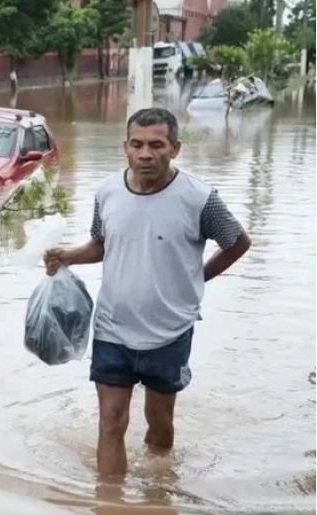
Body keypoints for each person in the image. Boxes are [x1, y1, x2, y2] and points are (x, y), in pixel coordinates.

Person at [43, 107, 252, 479]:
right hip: (112, 328)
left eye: (156, 145)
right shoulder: (107, 191)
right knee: (110, 421)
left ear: (175, 148)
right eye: (137, 144)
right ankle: (109, 509)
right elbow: (102, 243)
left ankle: (159, 495)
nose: (145, 154)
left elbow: (237, 243)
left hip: (169, 331)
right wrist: (68, 256)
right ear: (125, 147)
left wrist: (198, 278)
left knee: (159, 427)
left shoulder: (200, 199)